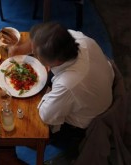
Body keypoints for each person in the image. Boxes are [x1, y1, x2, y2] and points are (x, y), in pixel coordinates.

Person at [9, 22, 115, 162]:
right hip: (99, 85)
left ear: (56, 61)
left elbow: (46, 116)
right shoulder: (74, 37)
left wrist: (46, 93)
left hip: (84, 124)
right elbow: (39, 39)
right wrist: (20, 50)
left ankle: (7, 153)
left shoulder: (68, 85)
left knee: (25, 120)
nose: (33, 53)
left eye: (36, 54)